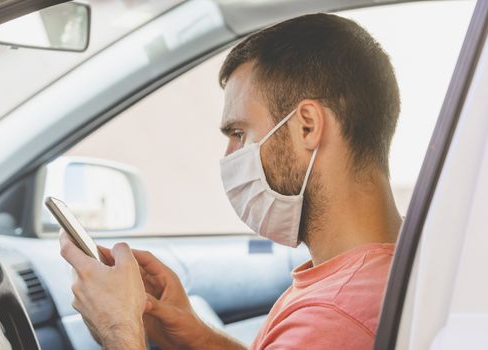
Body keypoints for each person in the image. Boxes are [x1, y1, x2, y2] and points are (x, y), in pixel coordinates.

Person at [59, 12, 402, 350]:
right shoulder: (372, 276)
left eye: (240, 133)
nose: (229, 157)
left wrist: (119, 328)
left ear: (307, 127)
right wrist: (193, 335)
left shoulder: (335, 318)